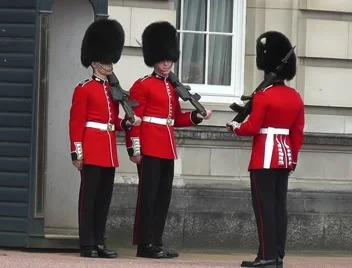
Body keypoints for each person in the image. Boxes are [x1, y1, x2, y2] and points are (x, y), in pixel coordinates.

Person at [125, 21, 213, 259]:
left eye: (169, 60)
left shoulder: (173, 88)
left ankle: (156, 241)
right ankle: (145, 245)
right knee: (148, 197)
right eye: (163, 59)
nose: (166, 63)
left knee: (163, 198)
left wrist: (197, 116)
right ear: (154, 59)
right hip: (150, 148)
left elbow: (175, 119)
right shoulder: (142, 85)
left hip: (167, 147)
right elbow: (133, 120)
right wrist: (134, 149)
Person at [226, 31, 304, 268]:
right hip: (285, 158)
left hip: (264, 158)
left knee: (263, 208)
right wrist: (293, 160)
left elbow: (252, 127)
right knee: (279, 207)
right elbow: (297, 134)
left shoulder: (263, 96)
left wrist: (235, 127)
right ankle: (275, 255)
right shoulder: (295, 97)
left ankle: (267, 256)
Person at [69, 18, 141, 258]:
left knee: (103, 200)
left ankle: (99, 241)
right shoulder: (84, 88)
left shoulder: (113, 90)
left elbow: (113, 122)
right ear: (94, 62)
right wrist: (77, 153)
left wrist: (126, 122)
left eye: (111, 60)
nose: (109, 64)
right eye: (104, 60)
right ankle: (87, 243)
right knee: (88, 200)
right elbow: (77, 123)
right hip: (91, 149)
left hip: (108, 151)